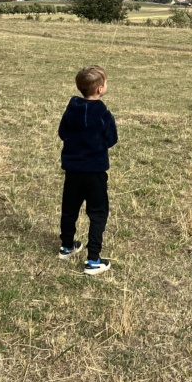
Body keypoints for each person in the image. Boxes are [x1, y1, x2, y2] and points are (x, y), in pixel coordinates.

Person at [57, 65, 118, 276]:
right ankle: (93, 260)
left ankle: (66, 247)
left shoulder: (71, 107)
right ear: (100, 89)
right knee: (98, 213)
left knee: (69, 208)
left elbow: (62, 132)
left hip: (73, 171)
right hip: (95, 173)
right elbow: (112, 139)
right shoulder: (103, 113)